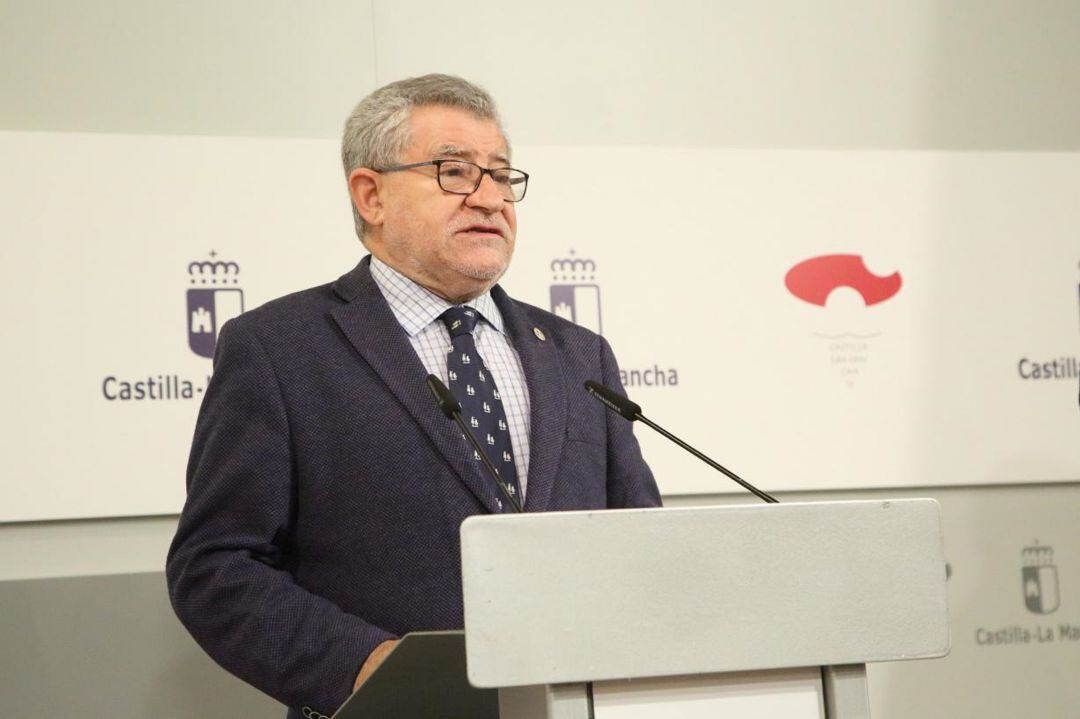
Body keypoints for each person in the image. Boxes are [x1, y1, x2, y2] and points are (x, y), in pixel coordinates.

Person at [166, 74, 660, 719]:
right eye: (454, 172)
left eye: (502, 176)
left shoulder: (577, 352)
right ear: (370, 195)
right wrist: (365, 666)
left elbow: (641, 541)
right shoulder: (278, 348)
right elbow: (216, 566)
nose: (489, 199)